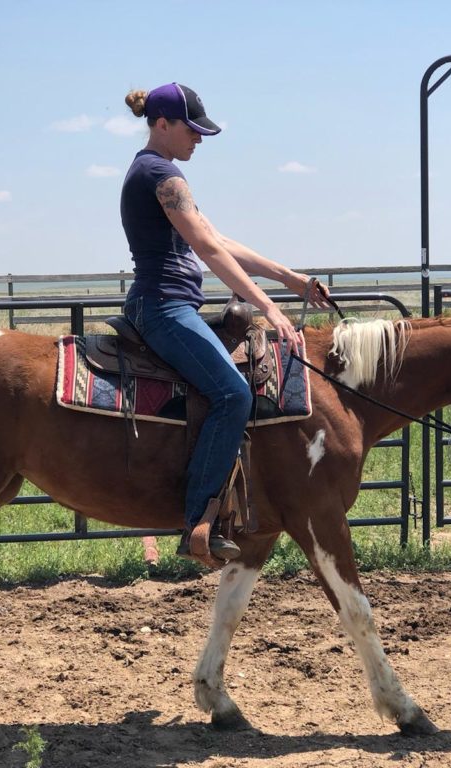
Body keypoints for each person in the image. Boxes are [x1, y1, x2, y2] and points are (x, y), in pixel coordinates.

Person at [120, 82, 328, 562]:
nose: (199, 139)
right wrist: (269, 307)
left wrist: (289, 278)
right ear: (163, 124)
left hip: (169, 305)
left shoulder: (159, 173)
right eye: (191, 130)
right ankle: (199, 522)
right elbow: (208, 249)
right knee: (233, 393)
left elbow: (215, 236)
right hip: (164, 307)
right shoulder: (160, 174)